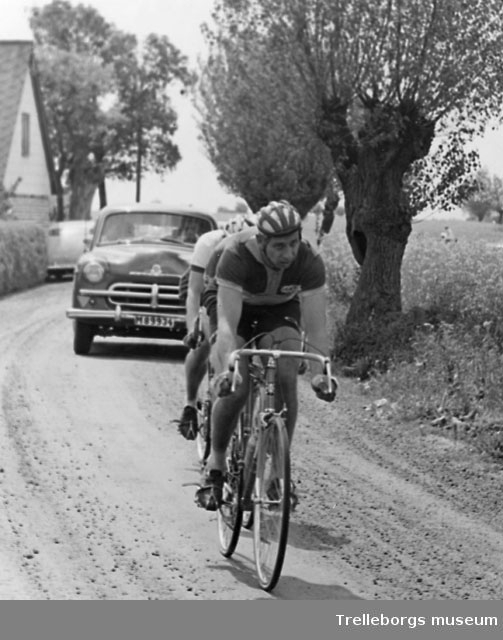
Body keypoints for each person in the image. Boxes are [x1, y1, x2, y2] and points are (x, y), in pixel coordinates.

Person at [195, 200, 337, 511]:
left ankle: (277, 474)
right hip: (235, 306)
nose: (289, 254)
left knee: (287, 367)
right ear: (261, 242)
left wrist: (320, 372)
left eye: (294, 243)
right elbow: (229, 326)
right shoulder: (235, 255)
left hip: (278, 308)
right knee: (238, 385)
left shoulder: (309, 260)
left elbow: (315, 330)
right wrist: (228, 367)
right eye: (280, 246)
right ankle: (216, 464)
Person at [176, 212, 256, 440]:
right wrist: (193, 327)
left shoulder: (252, 250)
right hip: (206, 286)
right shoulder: (208, 243)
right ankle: (190, 404)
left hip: (238, 290)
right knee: (203, 343)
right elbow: (194, 291)